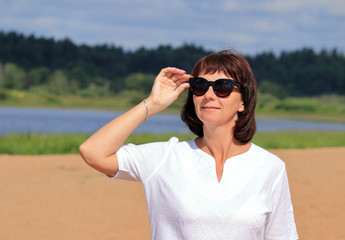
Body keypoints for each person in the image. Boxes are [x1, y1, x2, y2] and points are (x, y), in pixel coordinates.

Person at [79, 50, 298, 239]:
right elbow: (93, 152)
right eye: (200, 86)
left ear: (243, 101)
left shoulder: (270, 167)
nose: (209, 95)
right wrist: (153, 103)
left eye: (223, 87)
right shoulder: (165, 157)